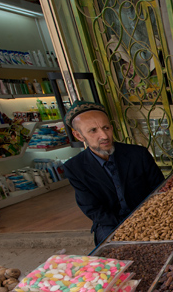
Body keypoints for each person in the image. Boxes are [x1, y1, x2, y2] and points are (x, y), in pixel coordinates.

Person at [63, 101, 164, 245]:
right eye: (93, 130)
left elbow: (160, 190)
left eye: (106, 128)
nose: (104, 136)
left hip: (149, 216)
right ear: (79, 135)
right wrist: (126, 226)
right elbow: (92, 209)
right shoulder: (75, 168)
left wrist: (146, 219)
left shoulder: (138, 154)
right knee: (113, 254)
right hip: (110, 222)